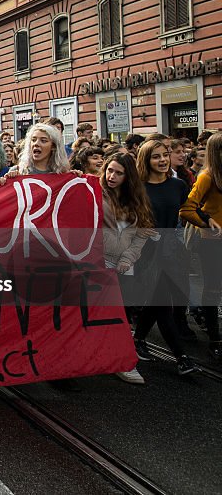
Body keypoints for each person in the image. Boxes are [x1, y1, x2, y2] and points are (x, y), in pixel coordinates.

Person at [132, 139, 196, 375]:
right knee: (163, 304)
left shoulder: (178, 186)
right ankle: (182, 357)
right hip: (145, 252)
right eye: (156, 156)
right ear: (146, 160)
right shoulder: (136, 187)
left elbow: (187, 211)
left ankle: (138, 338)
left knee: (160, 302)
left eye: (165, 155)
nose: (162, 160)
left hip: (171, 251)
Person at [100, 152, 155, 384]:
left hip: (124, 267)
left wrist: (128, 259)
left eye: (118, 173)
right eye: (109, 170)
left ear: (128, 177)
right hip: (96, 264)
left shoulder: (136, 201)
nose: (111, 176)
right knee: (100, 315)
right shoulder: (94, 192)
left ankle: (121, 361)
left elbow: (142, 234)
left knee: (120, 316)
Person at [180, 132, 222, 360]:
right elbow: (187, 208)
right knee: (213, 290)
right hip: (212, 242)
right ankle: (215, 339)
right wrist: (207, 221)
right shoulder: (208, 176)